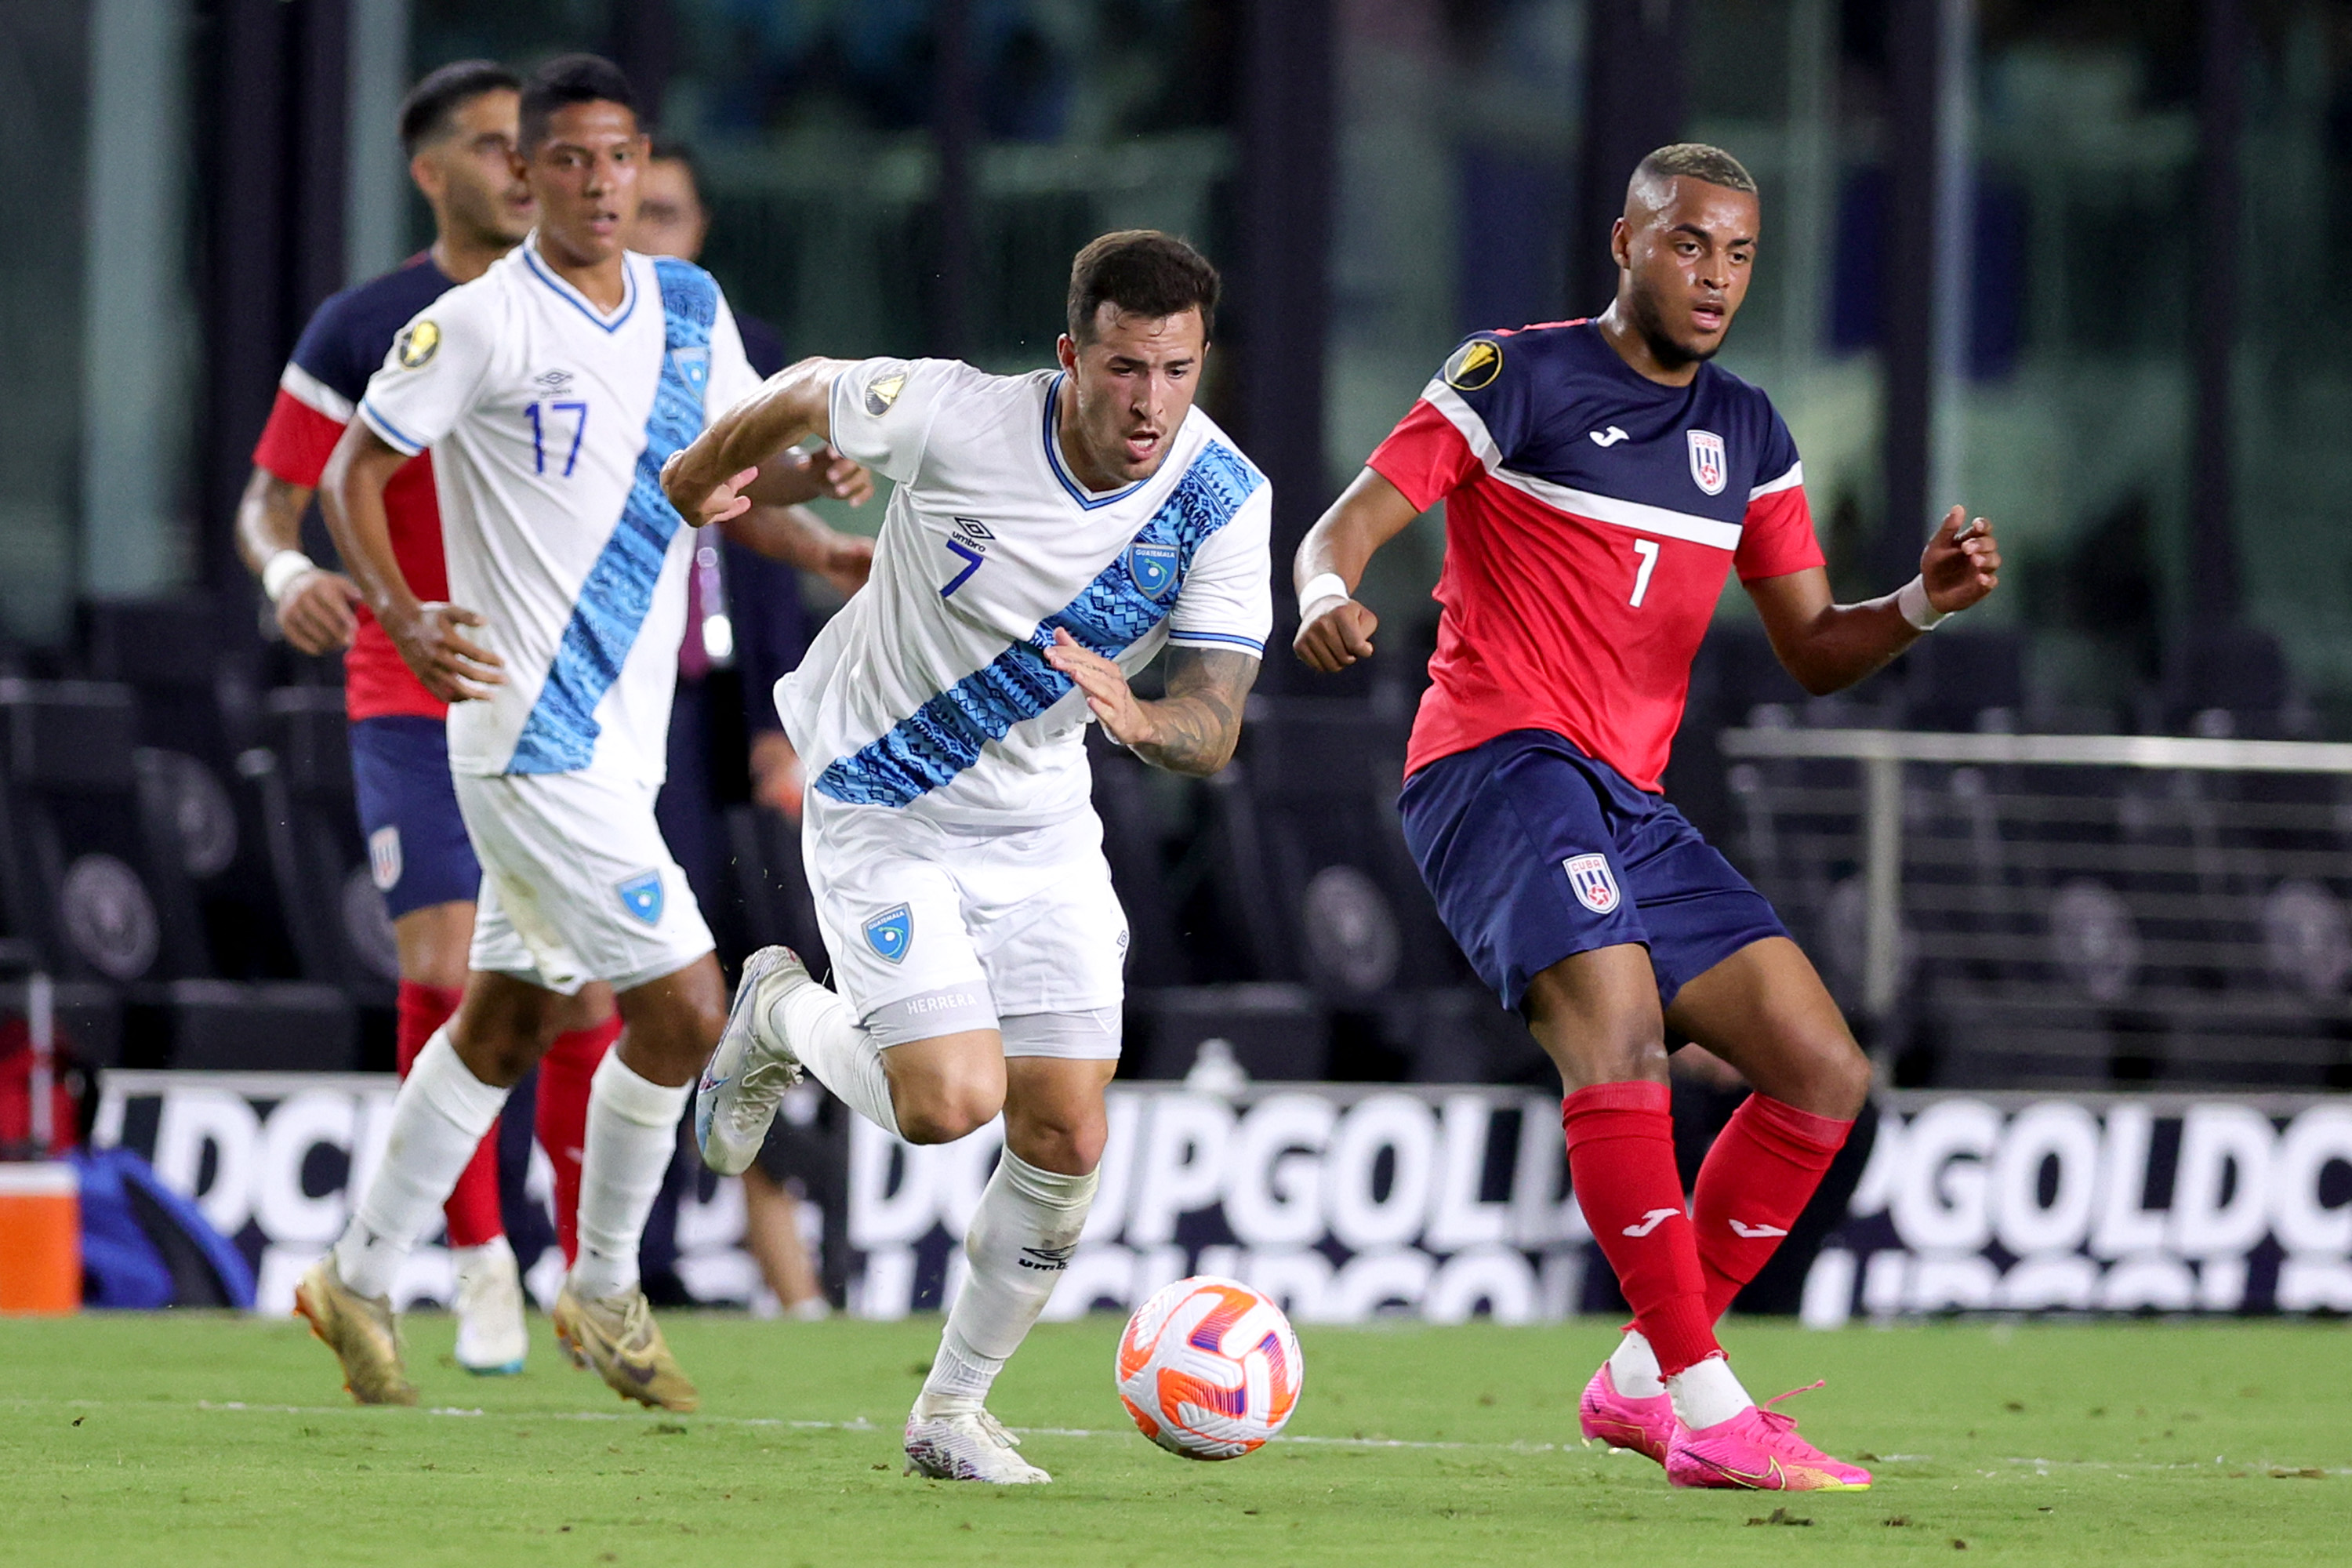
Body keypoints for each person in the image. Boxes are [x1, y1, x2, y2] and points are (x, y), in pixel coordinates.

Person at [1291, 143, 2002, 1492]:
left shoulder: (1753, 433)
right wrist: (1326, 596)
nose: (1716, 275)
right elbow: (1345, 525)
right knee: (1618, 1040)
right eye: (1688, 244)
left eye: (1738, 252)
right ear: (1626, 242)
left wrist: (1916, 606)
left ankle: (1635, 1377)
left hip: (1631, 801)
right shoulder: (1520, 373)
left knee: (1823, 1072)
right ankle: (1707, 1400)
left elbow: (1810, 646)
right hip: (1496, 765)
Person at [292, 54, 872, 1413]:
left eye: (621, 159)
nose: (601, 183)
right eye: (570, 160)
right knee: (684, 1006)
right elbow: (350, 469)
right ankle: (604, 1285)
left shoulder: (688, 307)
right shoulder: (483, 322)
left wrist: (814, 490)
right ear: (526, 174)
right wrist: (404, 612)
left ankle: (359, 1274)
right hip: (526, 730)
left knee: (505, 1022)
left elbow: (728, 468)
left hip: (627, 735)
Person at [665, 230, 1271, 1482]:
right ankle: (779, 1011)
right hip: (881, 791)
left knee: (1065, 1135)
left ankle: (950, 1412)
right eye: (1122, 367)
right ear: (1069, 357)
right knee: (949, 1104)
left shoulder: (1226, 496)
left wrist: (1147, 719)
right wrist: (701, 472)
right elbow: (806, 386)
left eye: (1175, 368)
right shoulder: (953, 415)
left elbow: (1214, 712)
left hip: (1042, 823)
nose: (1150, 399)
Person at [238, 59, 625, 1377]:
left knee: (579, 988)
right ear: (430, 172)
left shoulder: (599, 315)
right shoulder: (365, 323)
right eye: (492, 146)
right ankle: (479, 1262)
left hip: (566, 697)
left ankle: (587, 1262)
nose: (526, 167)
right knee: (443, 966)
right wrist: (292, 572)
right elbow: (271, 501)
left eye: (538, 146)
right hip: (411, 687)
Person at [626, 135, 842, 1318]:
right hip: (623, 699)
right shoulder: (581, 349)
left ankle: (682, 1254)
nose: (650, 230)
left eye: (668, 210)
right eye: (634, 210)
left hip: (716, 711)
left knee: (725, 976)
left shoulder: (742, 353)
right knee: (643, 971)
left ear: (698, 229)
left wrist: (775, 720)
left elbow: (755, 559)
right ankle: (619, 1255)